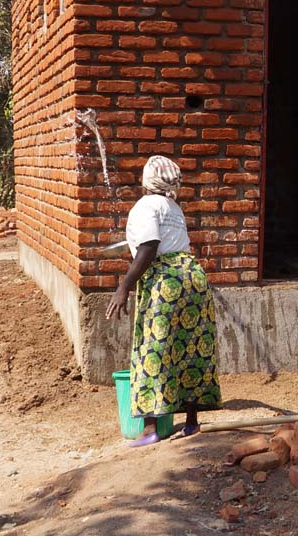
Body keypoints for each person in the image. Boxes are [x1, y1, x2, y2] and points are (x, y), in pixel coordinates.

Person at [105, 155, 221, 445]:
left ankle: (150, 430)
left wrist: (124, 287)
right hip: (192, 276)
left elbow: (149, 248)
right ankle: (191, 423)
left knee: (152, 348)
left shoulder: (145, 206)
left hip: (165, 280)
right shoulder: (173, 207)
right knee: (191, 346)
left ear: (146, 179)